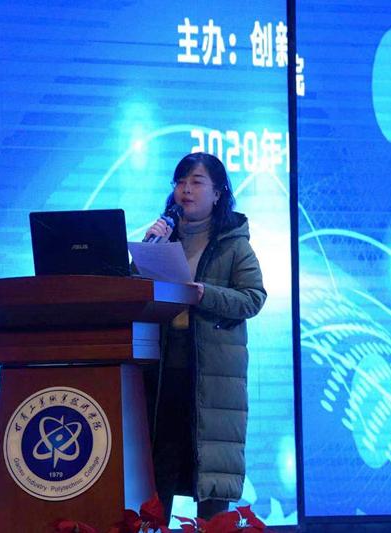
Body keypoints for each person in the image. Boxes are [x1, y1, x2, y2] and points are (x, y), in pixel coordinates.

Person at [142, 152, 266, 521]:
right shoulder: (163, 238)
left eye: (196, 182)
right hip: (162, 374)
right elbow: (133, 293)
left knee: (212, 477)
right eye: (180, 182)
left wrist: (204, 295)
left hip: (212, 377)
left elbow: (253, 298)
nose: (186, 190)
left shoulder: (233, 243)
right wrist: (148, 248)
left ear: (217, 193)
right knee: (156, 474)